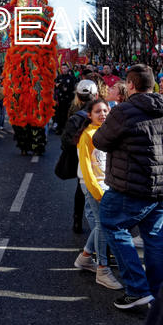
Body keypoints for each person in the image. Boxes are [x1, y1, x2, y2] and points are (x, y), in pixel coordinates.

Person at [93, 64, 163, 310]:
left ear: (131, 85)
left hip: (131, 186)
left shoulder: (124, 111)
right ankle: (156, 293)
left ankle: (137, 289)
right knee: (155, 239)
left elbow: (100, 140)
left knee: (111, 224)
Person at [73, 99, 122, 290]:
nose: (102, 114)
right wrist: (97, 192)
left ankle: (85, 257)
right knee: (103, 225)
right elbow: (86, 169)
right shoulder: (87, 135)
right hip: (94, 187)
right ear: (89, 115)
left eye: (105, 111)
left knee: (102, 226)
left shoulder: (108, 132)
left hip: (108, 186)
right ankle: (102, 269)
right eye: (97, 111)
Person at [60, 79, 98, 233]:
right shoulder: (103, 113)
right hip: (100, 160)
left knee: (81, 188)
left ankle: (77, 220)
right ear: (95, 95)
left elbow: (65, 142)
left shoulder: (75, 116)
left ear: (78, 96)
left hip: (81, 160)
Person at [54, 62, 76, 133]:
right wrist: (61, 87)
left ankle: (67, 130)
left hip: (68, 100)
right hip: (60, 100)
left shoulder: (71, 77)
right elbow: (55, 85)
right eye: (62, 68)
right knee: (59, 115)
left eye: (65, 68)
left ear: (68, 69)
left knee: (68, 115)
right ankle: (59, 128)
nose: (63, 69)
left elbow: (71, 88)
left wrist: (61, 87)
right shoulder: (59, 77)